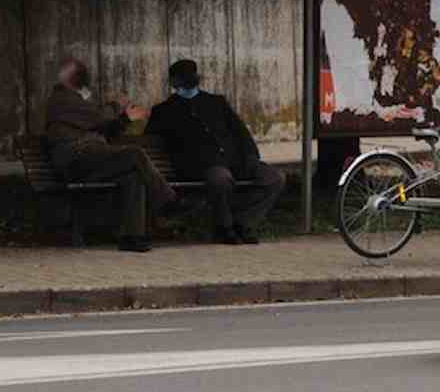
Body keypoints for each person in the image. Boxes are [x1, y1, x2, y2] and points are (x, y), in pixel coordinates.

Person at [44, 57, 180, 252]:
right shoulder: (61, 98)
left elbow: (105, 127)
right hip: (76, 161)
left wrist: (125, 118)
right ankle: (168, 201)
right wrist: (117, 107)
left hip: (92, 160)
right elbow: (99, 117)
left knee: (134, 177)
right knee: (134, 154)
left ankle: (132, 237)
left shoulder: (81, 102)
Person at [146, 60, 285, 244]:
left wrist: (250, 156)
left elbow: (240, 131)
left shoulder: (216, 102)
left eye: (191, 76)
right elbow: (155, 140)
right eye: (183, 78)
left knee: (274, 178)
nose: (189, 82)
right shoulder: (164, 111)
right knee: (220, 179)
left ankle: (243, 223)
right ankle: (224, 228)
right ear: (173, 83)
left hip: (236, 160)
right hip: (201, 166)